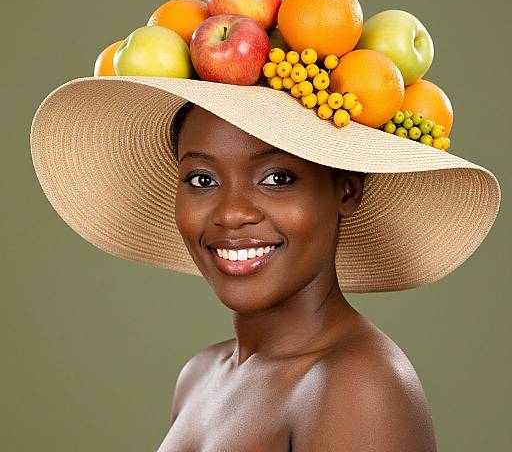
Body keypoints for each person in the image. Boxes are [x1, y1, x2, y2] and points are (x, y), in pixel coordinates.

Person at [30, 76, 501, 451]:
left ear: (346, 190)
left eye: (277, 177)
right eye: (200, 178)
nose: (232, 212)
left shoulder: (357, 385)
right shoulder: (202, 375)